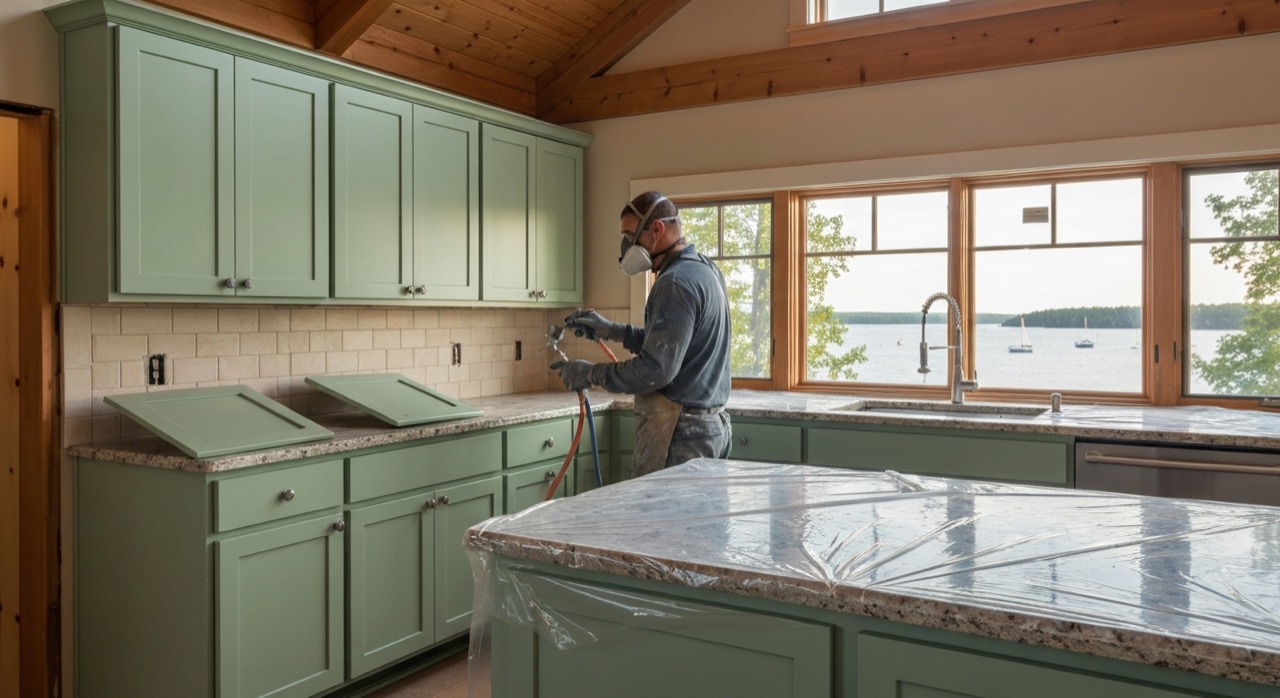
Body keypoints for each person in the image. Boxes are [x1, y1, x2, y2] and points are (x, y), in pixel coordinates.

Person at [556, 191, 733, 477]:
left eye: (630, 235)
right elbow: (671, 348)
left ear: (657, 230)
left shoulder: (675, 283)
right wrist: (612, 330)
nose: (626, 245)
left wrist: (591, 374)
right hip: (708, 430)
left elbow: (656, 369)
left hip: (681, 433)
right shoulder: (704, 270)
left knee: (663, 522)